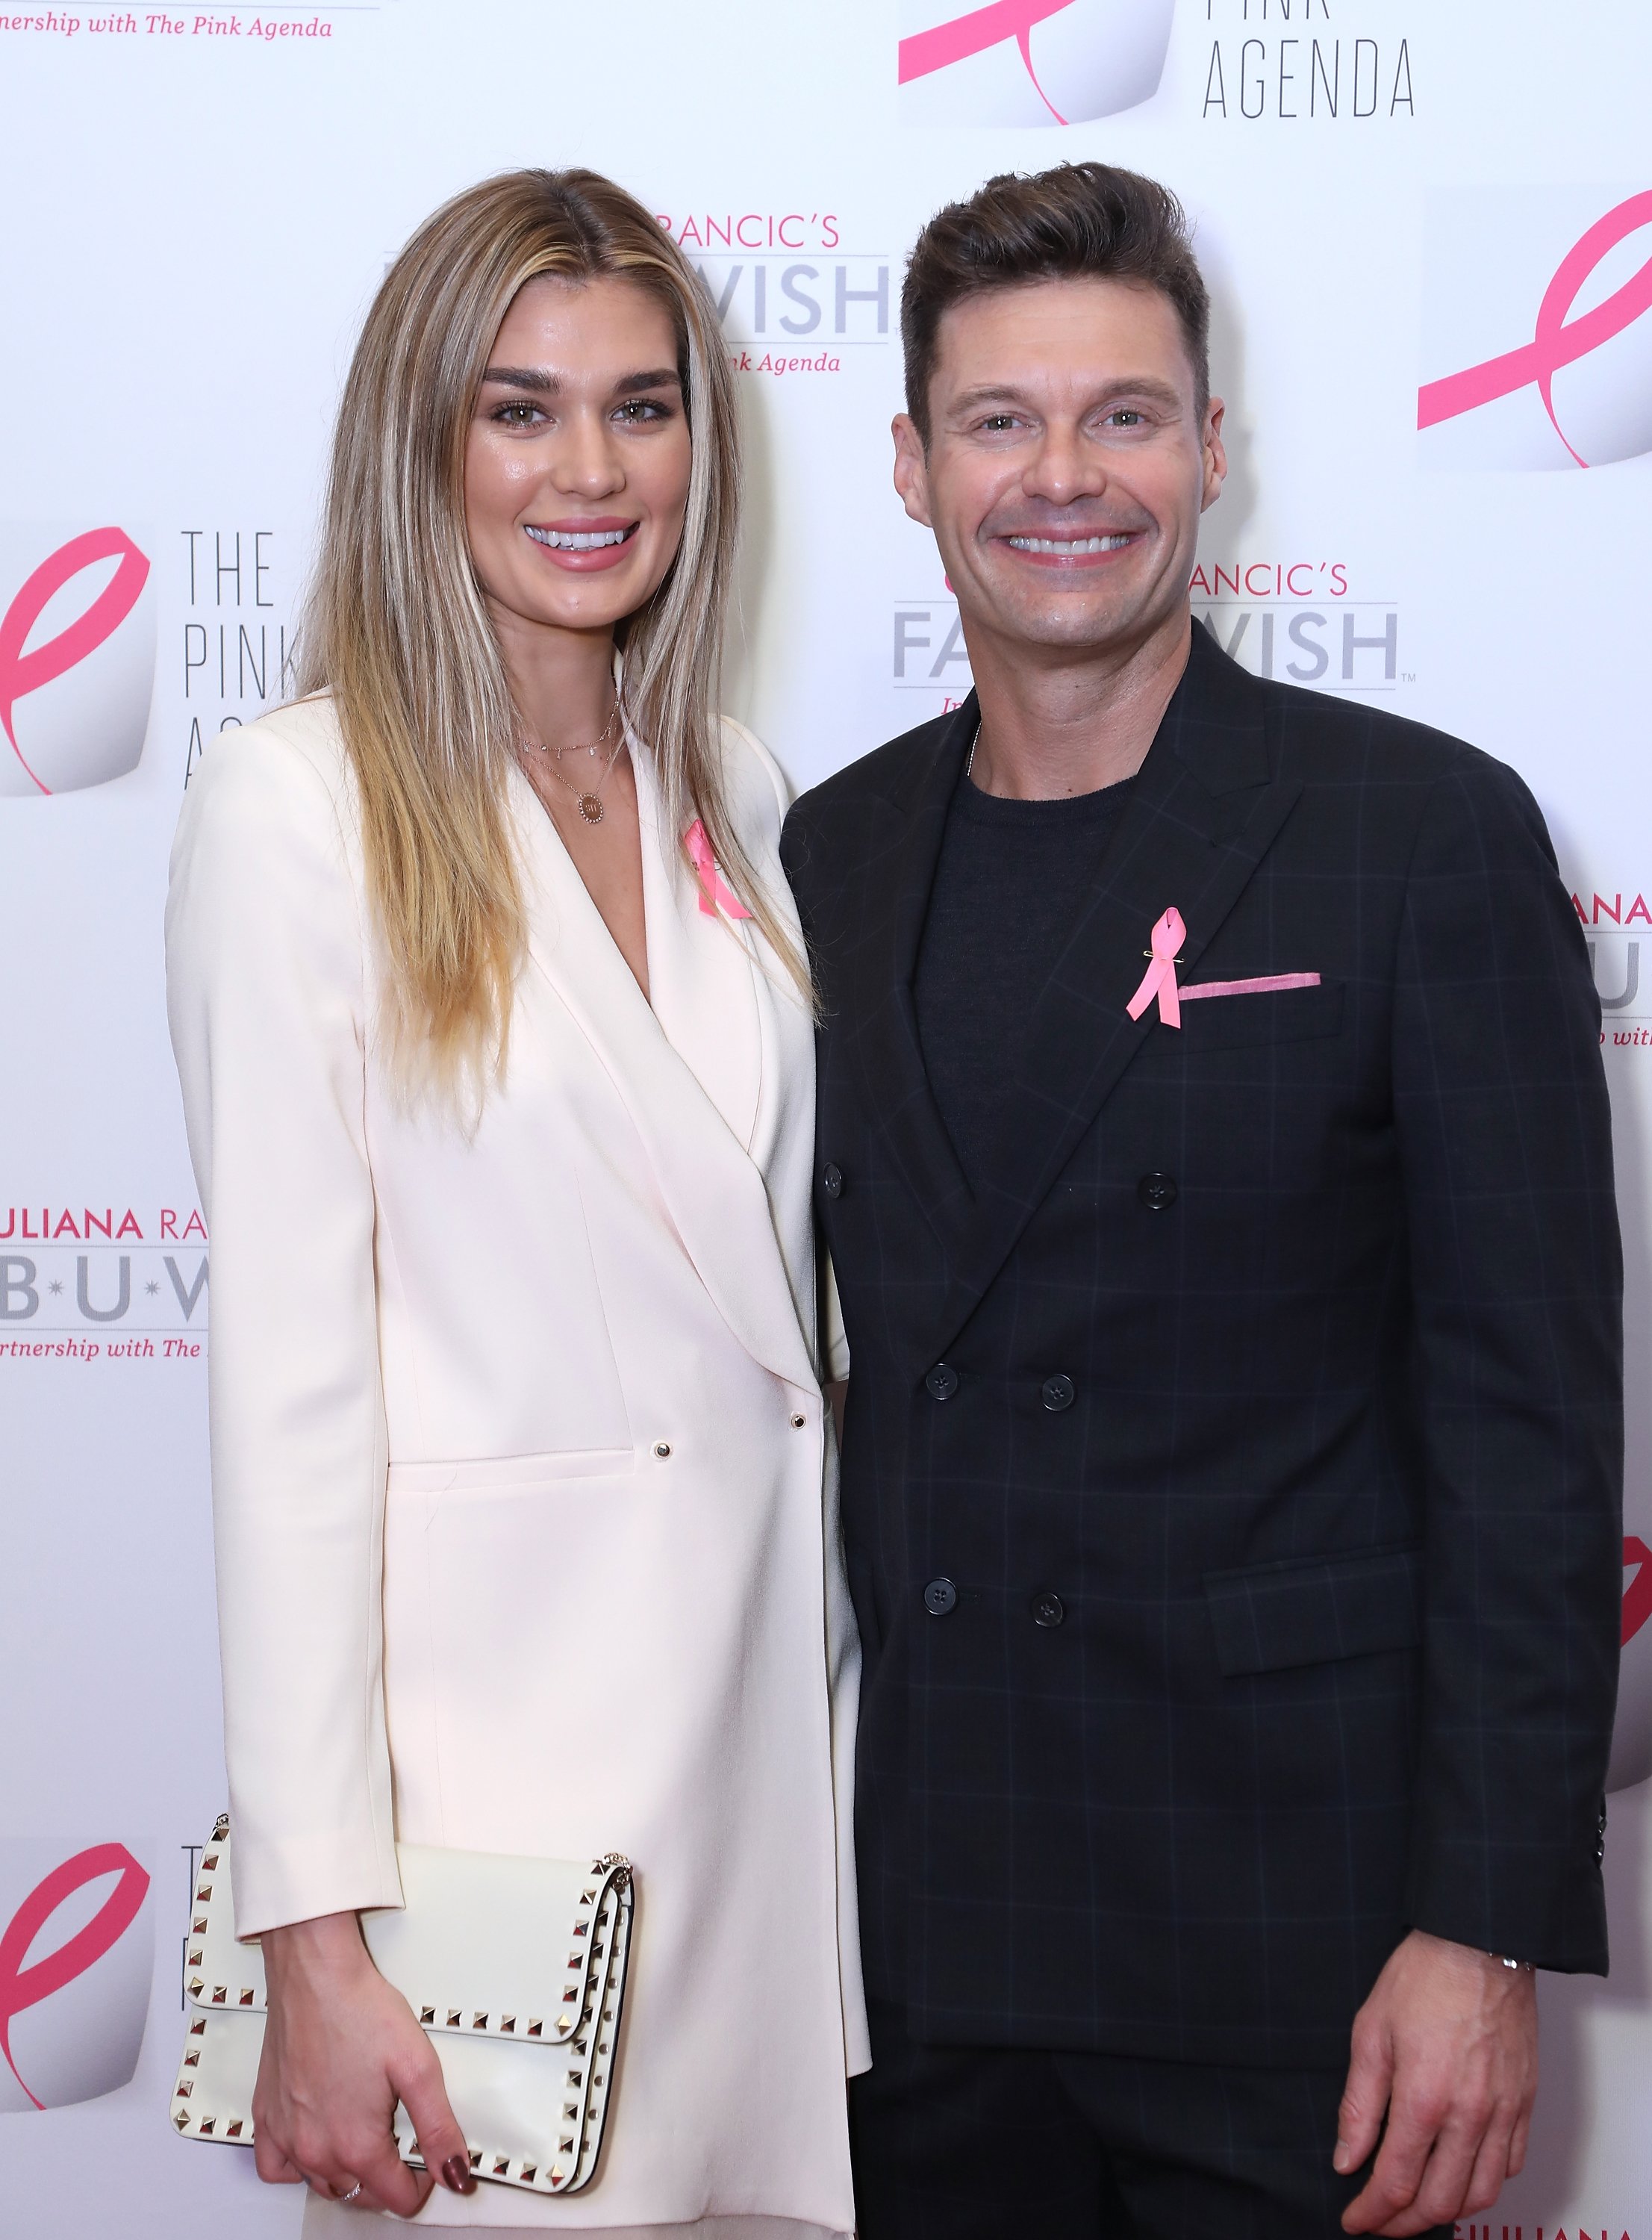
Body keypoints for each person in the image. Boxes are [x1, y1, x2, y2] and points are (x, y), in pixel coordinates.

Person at [781, 161, 1621, 2240]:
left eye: (1125, 415)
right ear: (910, 464)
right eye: (999, 420)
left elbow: (1531, 1436)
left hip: (1302, 1955)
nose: (1064, 476)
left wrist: (1480, 1931)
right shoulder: (833, 857)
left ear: (1214, 449)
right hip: (917, 1947)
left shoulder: (1416, 838)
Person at [166, 167, 866, 2236]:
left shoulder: (732, 782)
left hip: (767, 1793)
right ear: (424, 439)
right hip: (487, 1855)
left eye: (642, 407)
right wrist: (314, 1935)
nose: (591, 468)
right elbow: (289, 1410)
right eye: (521, 408)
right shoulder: (297, 807)